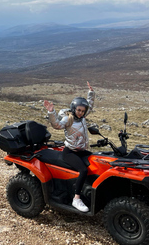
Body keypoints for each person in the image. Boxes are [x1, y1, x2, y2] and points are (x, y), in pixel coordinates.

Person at [43, 81, 95, 212]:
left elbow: (91, 105)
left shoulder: (82, 118)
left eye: (83, 111)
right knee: (83, 170)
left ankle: (88, 192)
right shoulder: (69, 119)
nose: (81, 113)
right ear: (73, 108)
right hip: (70, 152)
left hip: (82, 151)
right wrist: (51, 112)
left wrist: (91, 93)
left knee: (96, 163)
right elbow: (56, 125)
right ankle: (76, 199)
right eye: (78, 110)